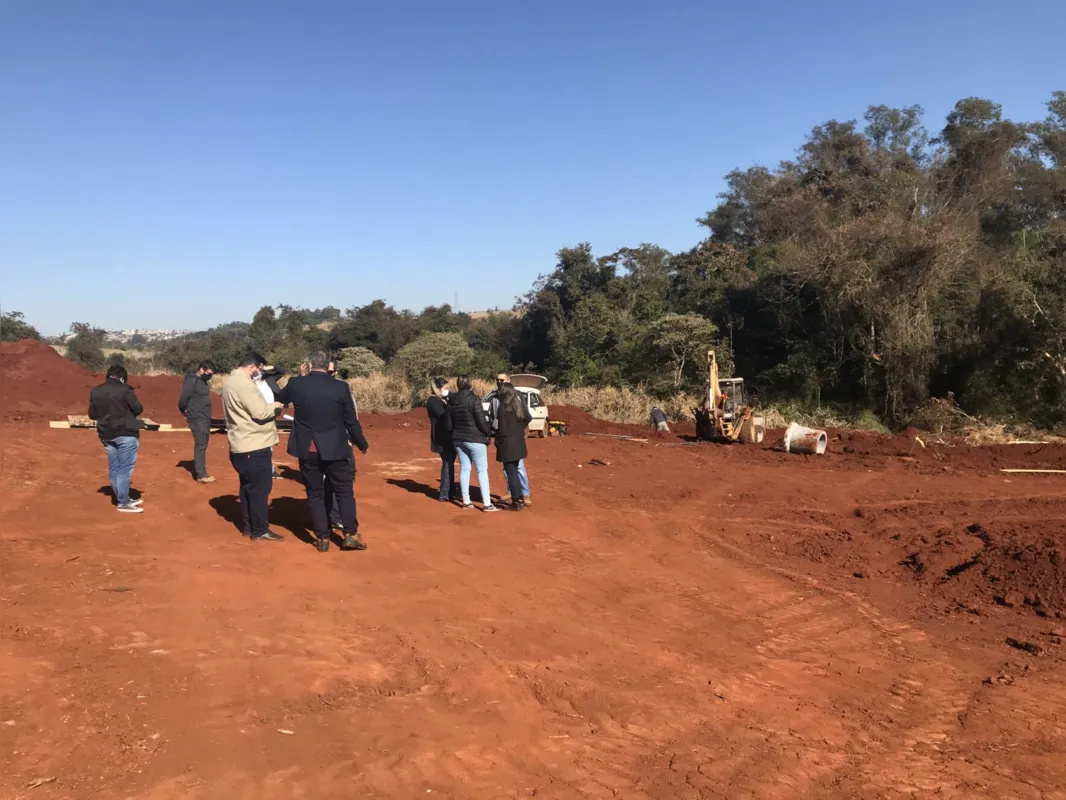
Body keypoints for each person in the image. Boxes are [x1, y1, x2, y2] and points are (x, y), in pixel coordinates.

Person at [276, 350, 369, 553]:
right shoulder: (341, 388)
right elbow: (351, 421)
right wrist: (361, 443)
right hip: (336, 447)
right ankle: (350, 535)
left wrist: (300, 378)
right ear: (329, 366)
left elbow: (279, 397)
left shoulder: (296, 384)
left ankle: (322, 538)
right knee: (344, 492)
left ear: (309, 364)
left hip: (307, 448)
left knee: (314, 493)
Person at [222, 351, 283, 542]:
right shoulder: (245, 384)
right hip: (253, 445)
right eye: (259, 369)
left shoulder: (230, 381)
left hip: (241, 444)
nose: (260, 373)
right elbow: (260, 412)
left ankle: (249, 527)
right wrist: (276, 406)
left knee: (248, 488)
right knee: (260, 489)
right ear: (253, 366)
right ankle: (260, 529)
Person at [88, 364, 145, 513]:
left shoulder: (96, 391)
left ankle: (121, 497)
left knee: (115, 466)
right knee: (125, 468)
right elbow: (138, 408)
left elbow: (92, 414)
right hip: (126, 432)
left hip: (106, 434)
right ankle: (123, 502)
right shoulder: (125, 389)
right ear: (122, 377)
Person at [448, 375, 497, 512]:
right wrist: (488, 433)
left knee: (465, 468)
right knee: (481, 470)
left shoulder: (452, 400)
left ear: (458, 385)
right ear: (470, 385)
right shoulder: (474, 399)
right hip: (475, 439)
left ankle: (466, 501)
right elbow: (481, 421)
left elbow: (449, 422)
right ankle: (487, 503)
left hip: (458, 439)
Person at [485, 371, 531, 506]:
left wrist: (519, 429)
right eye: (498, 380)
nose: (500, 383)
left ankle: (523, 494)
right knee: (510, 470)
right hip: (515, 441)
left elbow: (525, 416)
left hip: (508, 442)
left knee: (516, 469)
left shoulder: (516, 399)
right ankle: (513, 492)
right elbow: (491, 415)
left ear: (508, 381)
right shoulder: (494, 398)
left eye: (502, 381)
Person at [324, 358, 359, 530]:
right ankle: (337, 519)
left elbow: (352, 418)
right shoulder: (342, 389)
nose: (329, 375)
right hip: (334, 444)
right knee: (341, 483)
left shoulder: (343, 389)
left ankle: (332, 516)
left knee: (336, 481)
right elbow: (352, 419)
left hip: (339, 442)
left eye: (331, 372)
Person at [177, 360, 216, 483]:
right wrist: (186, 412)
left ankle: (201, 471)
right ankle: (201, 474)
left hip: (204, 417)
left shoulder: (202, 382)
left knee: (203, 445)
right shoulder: (191, 381)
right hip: (197, 418)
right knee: (200, 445)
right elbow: (183, 400)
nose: (210, 376)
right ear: (201, 369)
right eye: (208, 373)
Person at [426, 376, 456, 502]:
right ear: (438, 389)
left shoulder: (442, 400)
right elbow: (443, 416)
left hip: (449, 436)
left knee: (449, 463)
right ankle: (444, 493)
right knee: (447, 463)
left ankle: (450, 491)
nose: (447, 390)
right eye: (445, 388)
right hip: (441, 437)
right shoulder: (433, 402)